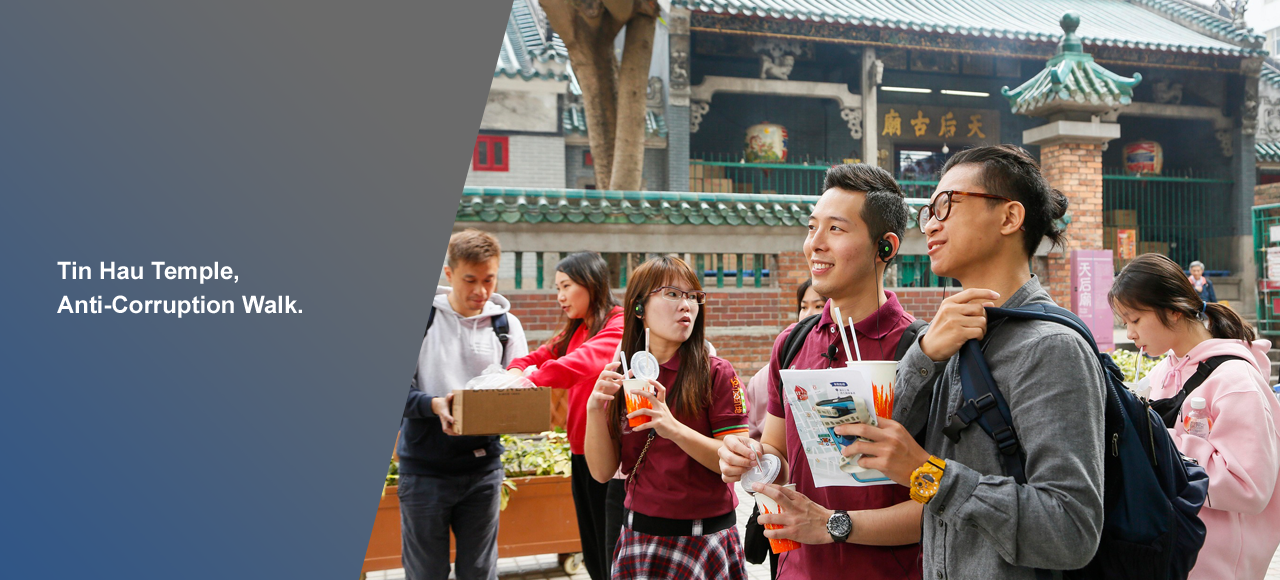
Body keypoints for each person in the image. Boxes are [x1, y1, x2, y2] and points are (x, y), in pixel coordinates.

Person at [843, 144, 1106, 578]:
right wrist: (924, 355)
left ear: (1009, 217)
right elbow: (878, 436)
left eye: (948, 204)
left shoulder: (1051, 348)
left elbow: (1071, 529)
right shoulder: (946, 338)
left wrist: (929, 476)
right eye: (929, 209)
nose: (930, 223)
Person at [717, 164, 923, 580]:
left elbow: (936, 498)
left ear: (886, 247)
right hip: (798, 570)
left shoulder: (920, 353)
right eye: (813, 228)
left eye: (836, 230)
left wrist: (832, 526)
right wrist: (751, 457)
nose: (815, 244)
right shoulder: (792, 344)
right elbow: (777, 452)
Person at [1111, 253, 1280, 580]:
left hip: (1218, 563)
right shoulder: (1164, 370)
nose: (1130, 333)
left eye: (1134, 320)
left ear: (1172, 311)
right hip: (1176, 551)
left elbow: (1250, 487)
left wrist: (1160, 439)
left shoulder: (1236, 382)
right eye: (1125, 324)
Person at [584, 256, 750, 580]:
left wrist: (671, 427)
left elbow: (735, 460)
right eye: (672, 294)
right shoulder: (624, 375)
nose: (686, 304)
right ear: (638, 308)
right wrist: (593, 408)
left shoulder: (717, 373)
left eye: (693, 295)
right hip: (638, 536)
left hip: (705, 538)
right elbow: (603, 472)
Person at [397, 229, 529, 580]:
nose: (481, 291)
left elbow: (522, 385)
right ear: (449, 273)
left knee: (480, 572)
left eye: (489, 279)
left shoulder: (506, 325)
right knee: (425, 573)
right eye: (470, 279)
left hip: (482, 471)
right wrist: (435, 404)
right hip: (425, 471)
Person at [506, 252, 623, 580]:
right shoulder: (576, 328)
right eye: (557, 287)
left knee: (610, 543)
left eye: (566, 286)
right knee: (591, 543)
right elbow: (539, 354)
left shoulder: (619, 323)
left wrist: (530, 378)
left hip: (608, 456)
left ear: (591, 284)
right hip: (579, 451)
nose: (559, 296)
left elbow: (583, 362)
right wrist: (514, 370)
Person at [746, 279, 825, 440]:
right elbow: (757, 441)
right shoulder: (762, 380)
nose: (808, 314)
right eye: (803, 307)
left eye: (818, 306)